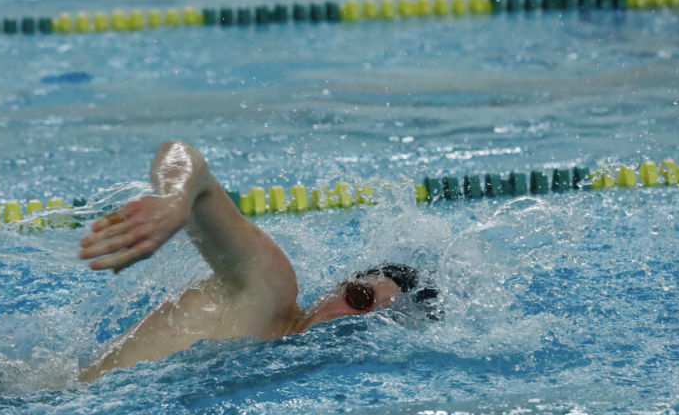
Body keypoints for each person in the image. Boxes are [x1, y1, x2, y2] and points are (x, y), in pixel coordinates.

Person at [77, 140, 438, 380]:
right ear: (338, 287)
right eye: (361, 299)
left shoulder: (280, 372)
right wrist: (175, 199)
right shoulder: (269, 290)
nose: (352, 322)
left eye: (378, 325)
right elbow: (184, 156)